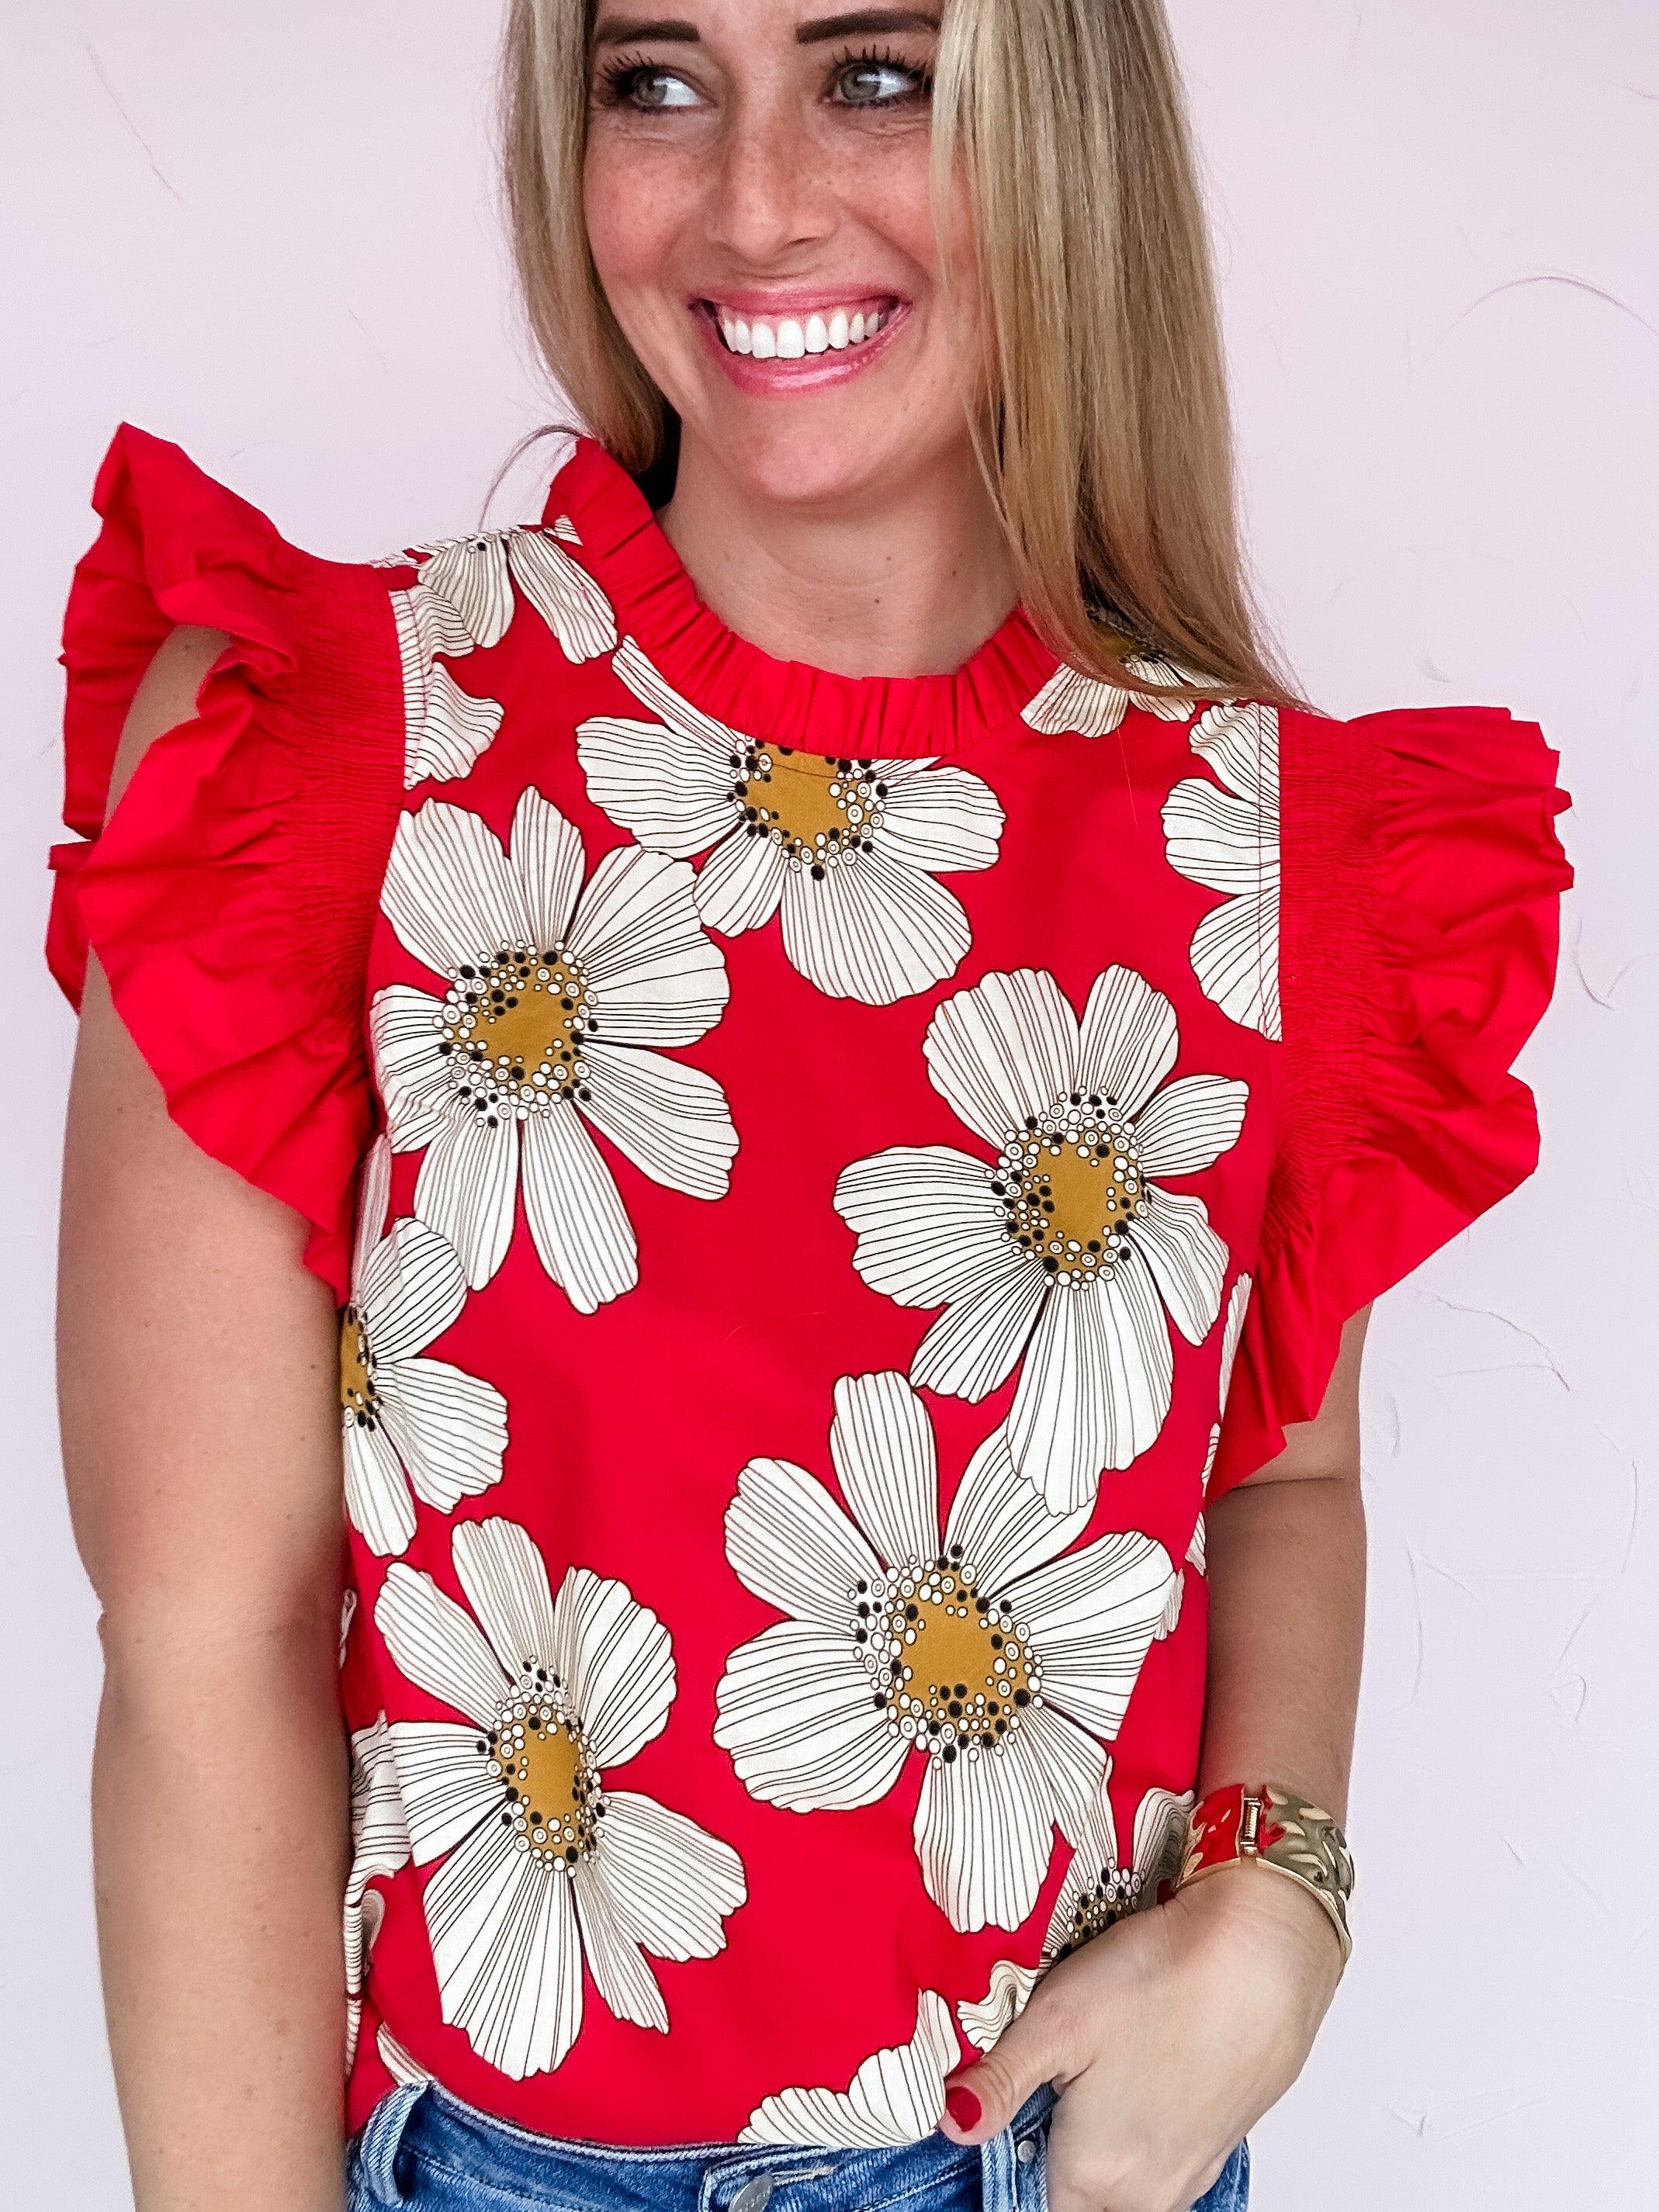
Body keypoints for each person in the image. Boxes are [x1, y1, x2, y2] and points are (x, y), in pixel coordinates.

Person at [47, 5, 1574, 2210]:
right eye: (656, 81)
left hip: (1073, 2160)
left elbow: (1282, 1472)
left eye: (876, 75)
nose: (754, 205)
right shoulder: (332, 750)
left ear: (1059, 127)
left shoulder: (1265, 847)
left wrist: (1279, 1897)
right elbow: (208, 1650)